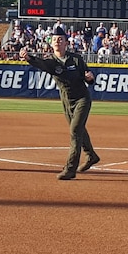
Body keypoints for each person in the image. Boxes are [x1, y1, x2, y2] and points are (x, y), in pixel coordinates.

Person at [23, 24, 100, 180]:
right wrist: (28, 58)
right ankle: (91, 155)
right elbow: (40, 63)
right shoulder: (51, 61)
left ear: (66, 42)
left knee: (75, 131)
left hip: (82, 99)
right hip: (66, 101)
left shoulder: (76, 59)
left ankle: (70, 169)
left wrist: (90, 78)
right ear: (51, 43)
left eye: (61, 39)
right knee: (78, 130)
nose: (57, 42)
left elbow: (88, 76)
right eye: (55, 40)